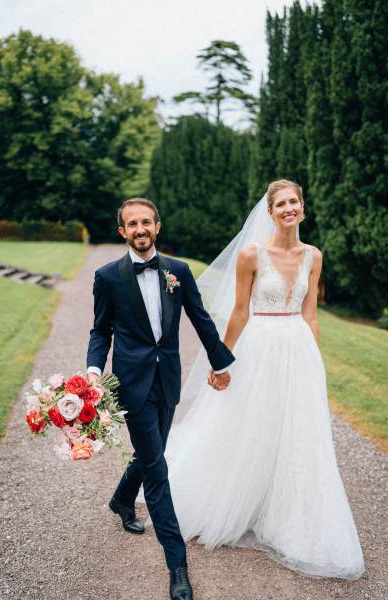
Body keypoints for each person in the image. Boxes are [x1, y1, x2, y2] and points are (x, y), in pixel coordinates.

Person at [165, 180, 365, 579]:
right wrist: (221, 362)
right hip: (258, 346)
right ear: (270, 212)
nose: (289, 208)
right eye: (282, 204)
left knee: (296, 432)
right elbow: (239, 312)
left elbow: (310, 314)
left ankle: (287, 513)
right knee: (248, 423)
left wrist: (316, 360)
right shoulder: (252, 254)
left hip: (298, 348)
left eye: (295, 202)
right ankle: (233, 501)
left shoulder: (314, 256)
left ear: (302, 208)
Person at [86, 197, 234, 600]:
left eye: (146, 222)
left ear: (157, 226)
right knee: (157, 468)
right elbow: (100, 332)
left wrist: (220, 363)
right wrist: (94, 374)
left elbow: (200, 320)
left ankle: (120, 500)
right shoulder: (108, 277)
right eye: (132, 224)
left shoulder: (179, 272)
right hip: (131, 386)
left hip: (168, 380)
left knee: (154, 449)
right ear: (122, 231)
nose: (140, 229)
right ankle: (177, 564)